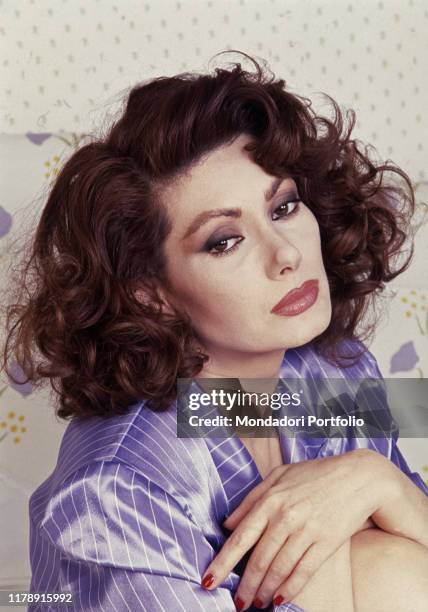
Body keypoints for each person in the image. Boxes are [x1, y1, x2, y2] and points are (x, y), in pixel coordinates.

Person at [2, 51, 427, 611]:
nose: (285, 254)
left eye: (284, 206)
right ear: (147, 290)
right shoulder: (113, 495)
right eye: (224, 241)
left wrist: (379, 482)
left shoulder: (331, 369)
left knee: (383, 560)